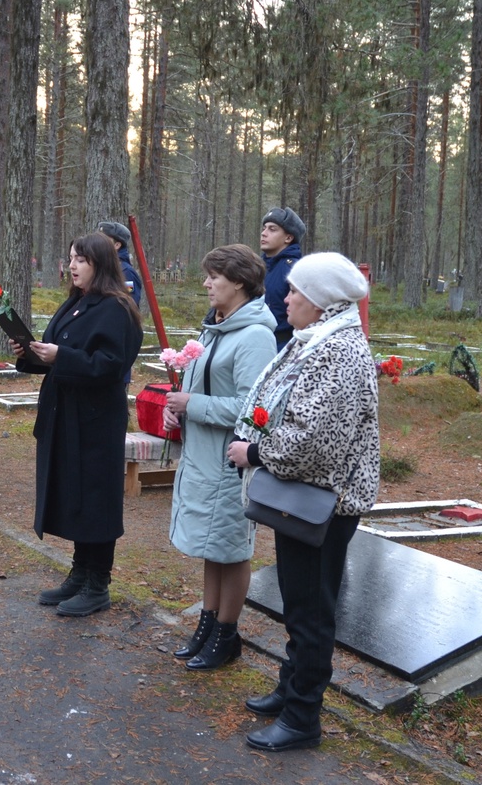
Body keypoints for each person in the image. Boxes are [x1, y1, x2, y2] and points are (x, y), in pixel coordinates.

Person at [226, 252, 380, 753]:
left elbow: (313, 442)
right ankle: (290, 688)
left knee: (312, 612)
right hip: (309, 495)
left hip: (326, 502)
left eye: (294, 291)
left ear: (320, 301)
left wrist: (255, 451)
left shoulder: (338, 353)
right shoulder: (317, 340)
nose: (285, 297)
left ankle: (302, 718)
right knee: (298, 602)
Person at [11, 233, 144, 617]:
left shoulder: (117, 309)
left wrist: (60, 356)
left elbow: (109, 366)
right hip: (65, 414)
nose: (72, 266)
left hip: (96, 420)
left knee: (97, 499)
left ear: (100, 263)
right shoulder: (77, 302)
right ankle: (79, 573)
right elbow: (60, 356)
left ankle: (98, 583)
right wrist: (31, 354)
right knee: (76, 496)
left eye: (80, 260)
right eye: (70, 258)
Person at [163, 245, 277, 670]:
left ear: (240, 282)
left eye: (214, 276)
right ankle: (207, 625)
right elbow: (201, 393)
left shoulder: (255, 337)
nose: (207, 283)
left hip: (232, 462)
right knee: (213, 546)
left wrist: (192, 403)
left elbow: (254, 408)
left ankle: (227, 633)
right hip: (202, 457)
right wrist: (179, 412)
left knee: (232, 547)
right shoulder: (215, 330)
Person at [258, 206, 305, 350]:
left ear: (288, 237)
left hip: (283, 346)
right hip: (256, 343)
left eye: (272, 229)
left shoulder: (295, 270)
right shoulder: (257, 267)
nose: (264, 234)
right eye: (264, 228)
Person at [96, 220, 143, 307]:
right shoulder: (101, 268)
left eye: (104, 240)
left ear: (117, 245)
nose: (98, 243)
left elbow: (130, 304)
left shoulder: (126, 272)